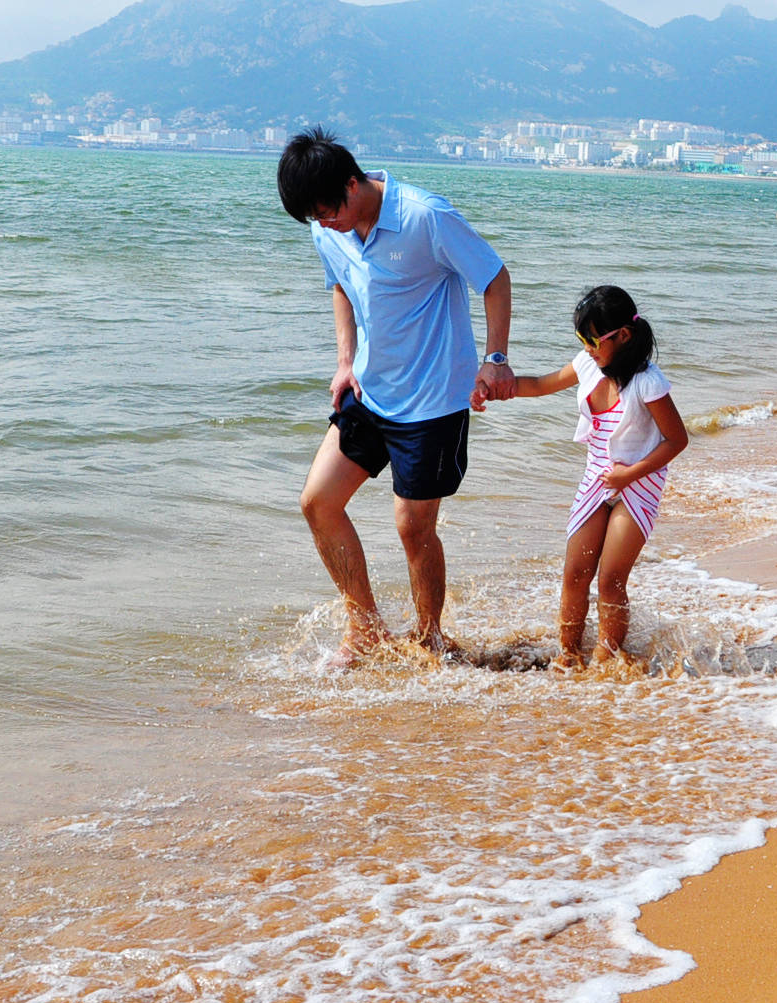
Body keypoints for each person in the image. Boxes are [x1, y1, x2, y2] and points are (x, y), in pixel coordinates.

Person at [278, 128, 515, 666]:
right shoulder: (328, 231)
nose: (324, 224)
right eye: (313, 219)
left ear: (352, 182)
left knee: (412, 526)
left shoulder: (425, 216)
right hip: (369, 390)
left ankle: (430, 637)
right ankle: (365, 629)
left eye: (326, 211)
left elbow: (495, 277)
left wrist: (495, 359)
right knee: (318, 502)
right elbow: (340, 285)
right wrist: (344, 361)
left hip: (433, 401)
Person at [496, 286, 688, 668]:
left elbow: (677, 439)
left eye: (591, 338)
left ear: (624, 336)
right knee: (575, 574)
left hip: (639, 483)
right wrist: (496, 385)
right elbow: (540, 384)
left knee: (610, 580)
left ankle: (608, 656)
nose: (586, 347)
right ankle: (568, 656)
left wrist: (629, 474)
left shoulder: (647, 382)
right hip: (596, 480)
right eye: (580, 338)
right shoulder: (587, 366)